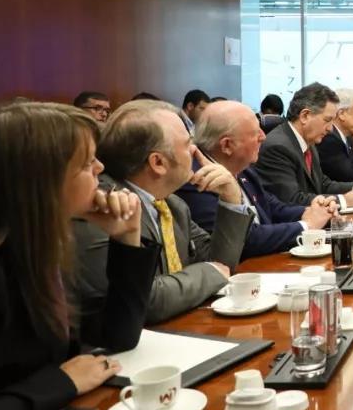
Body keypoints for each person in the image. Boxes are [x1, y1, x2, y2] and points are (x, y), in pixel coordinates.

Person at [0, 103, 157, 410]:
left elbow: (118, 337)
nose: (101, 168)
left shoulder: (37, 246)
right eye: (86, 164)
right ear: (41, 182)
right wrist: (61, 383)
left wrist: (127, 238)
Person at [74, 99, 252, 324]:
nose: (195, 150)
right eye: (187, 144)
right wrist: (208, 272)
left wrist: (231, 198)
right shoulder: (104, 207)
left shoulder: (174, 205)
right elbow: (146, 299)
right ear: (158, 162)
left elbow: (221, 264)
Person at [177, 101, 336, 259]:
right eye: (255, 133)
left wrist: (313, 211)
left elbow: (272, 207)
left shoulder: (243, 169)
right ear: (227, 145)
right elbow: (243, 240)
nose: (263, 136)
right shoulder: (198, 179)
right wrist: (306, 226)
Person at [256, 83, 353, 206]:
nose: (330, 129)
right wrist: (345, 200)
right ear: (305, 116)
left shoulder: (309, 141)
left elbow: (322, 184)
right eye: (327, 120)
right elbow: (292, 200)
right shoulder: (278, 147)